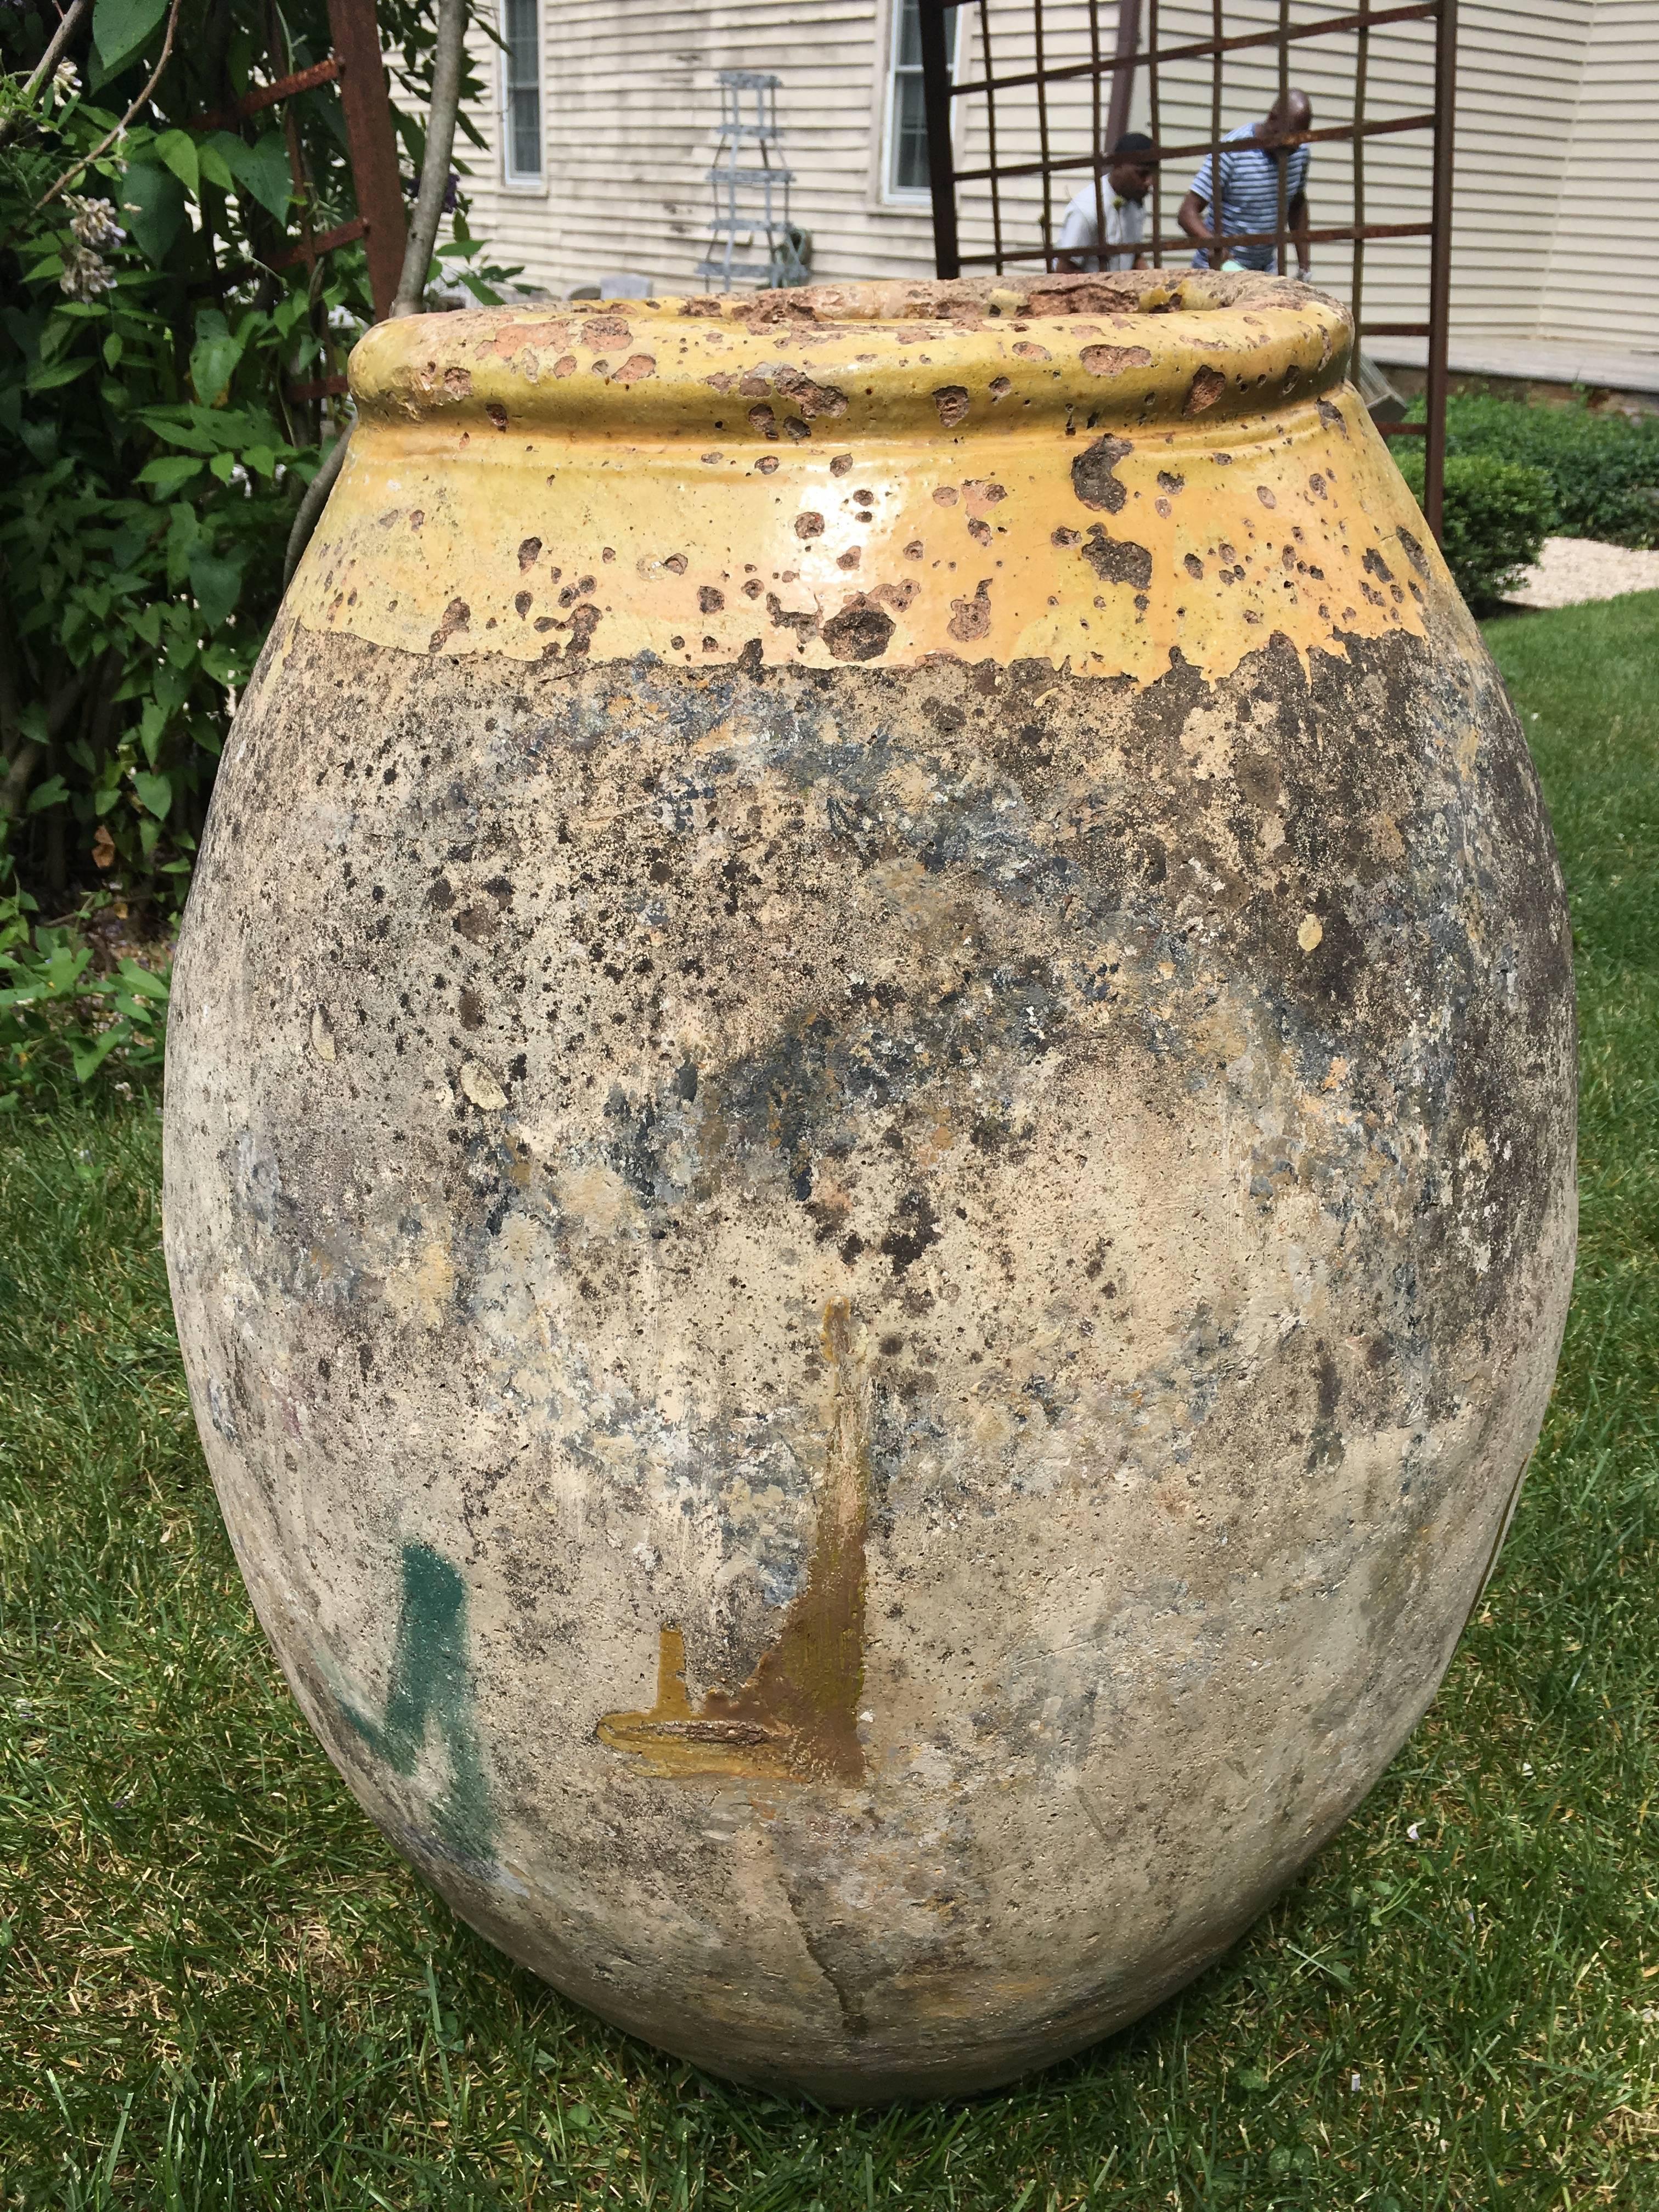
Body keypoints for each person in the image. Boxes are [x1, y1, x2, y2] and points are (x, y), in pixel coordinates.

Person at [1178, 90, 1312, 277]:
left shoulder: (1300, 152)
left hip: (1263, 271)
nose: (1290, 152)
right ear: (1272, 119)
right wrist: (1213, 244)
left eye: (1295, 146)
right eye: (1286, 144)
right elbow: (1187, 213)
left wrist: (1304, 265)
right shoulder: (1232, 150)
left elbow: (1297, 204)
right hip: (1220, 270)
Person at [1053, 132, 1157, 274]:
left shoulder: (1135, 202)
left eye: (1153, 174)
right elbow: (1064, 270)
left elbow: (1134, 256)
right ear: (1118, 165)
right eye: (1142, 174)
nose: (1149, 182)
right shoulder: (1088, 210)